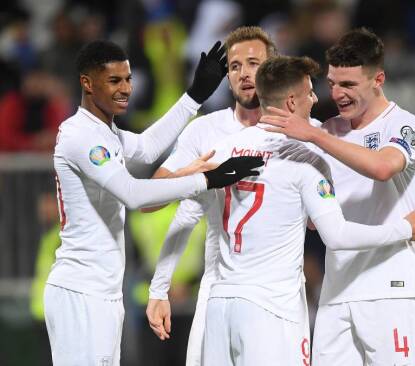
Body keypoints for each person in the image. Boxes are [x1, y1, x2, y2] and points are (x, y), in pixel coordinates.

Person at [201, 55, 415, 366]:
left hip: (224, 299)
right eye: (324, 87)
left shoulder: (227, 147)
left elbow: (156, 193)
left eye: (346, 84)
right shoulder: (309, 151)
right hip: (275, 306)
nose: (325, 96)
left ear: (377, 80)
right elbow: (334, 232)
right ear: (290, 101)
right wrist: (405, 229)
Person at [44, 39, 262, 366]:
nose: (126, 89)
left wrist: (194, 97)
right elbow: (133, 194)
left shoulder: (108, 133)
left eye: (128, 79)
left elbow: (147, 147)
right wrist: (206, 180)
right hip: (80, 290)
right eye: (114, 80)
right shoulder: (81, 137)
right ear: (87, 84)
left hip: (101, 290)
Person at [261, 28, 415, 365]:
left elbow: (382, 167)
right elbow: (313, 217)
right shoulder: (328, 131)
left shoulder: (403, 125)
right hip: (336, 290)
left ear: (378, 79)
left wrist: (312, 135)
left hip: (389, 288)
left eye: (349, 85)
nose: (338, 94)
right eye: (333, 83)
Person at [144, 26, 281, 365]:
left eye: (254, 63)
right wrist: (159, 289)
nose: (244, 73)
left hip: (279, 293)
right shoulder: (205, 131)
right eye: (235, 66)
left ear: (272, 69)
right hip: (218, 287)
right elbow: (151, 200)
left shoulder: (298, 132)